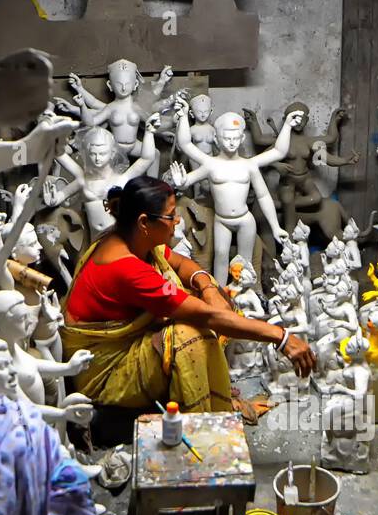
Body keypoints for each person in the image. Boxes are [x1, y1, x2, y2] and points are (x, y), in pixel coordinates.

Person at [61, 177, 315, 412]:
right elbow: (207, 317)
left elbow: (182, 265)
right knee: (189, 336)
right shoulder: (127, 268)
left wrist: (206, 287)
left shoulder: (133, 240)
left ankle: (210, 385)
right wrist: (282, 338)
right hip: (105, 371)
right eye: (171, 216)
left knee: (211, 291)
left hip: (126, 341)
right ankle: (204, 412)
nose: (178, 221)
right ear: (143, 223)